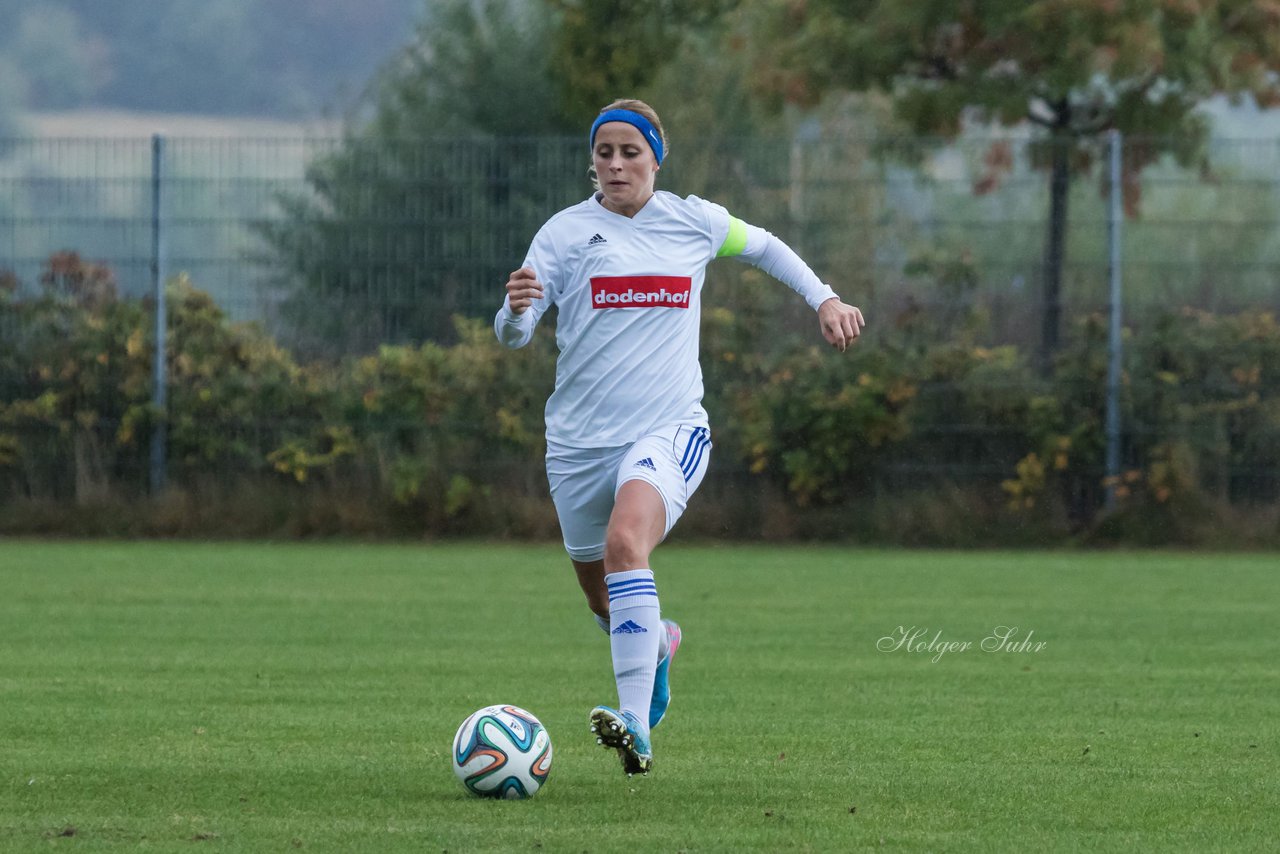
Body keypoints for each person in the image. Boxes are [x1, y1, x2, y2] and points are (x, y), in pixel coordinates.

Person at [495, 99, 864, 777]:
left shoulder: (693, 222)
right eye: (604, 152)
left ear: (655, 160)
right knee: (600, 595)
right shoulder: (565, 234)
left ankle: (634, 723)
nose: (615, 165)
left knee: (623, 545)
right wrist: (514, 313)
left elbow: (766, 247)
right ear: (591, 162)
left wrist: (826, 299)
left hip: (669, 428)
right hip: (577, 443)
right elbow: (517, 329)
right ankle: (656, 645)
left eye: (629, 152)